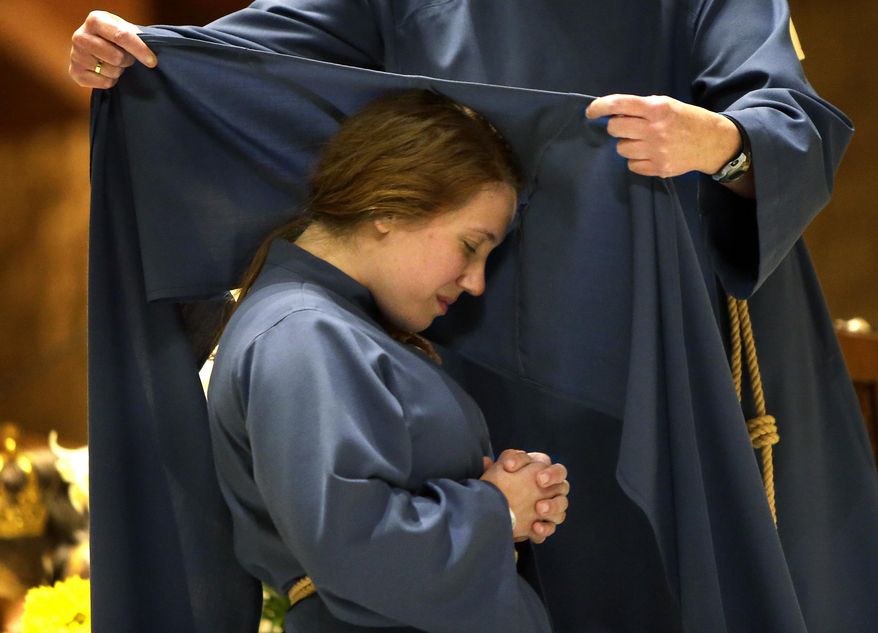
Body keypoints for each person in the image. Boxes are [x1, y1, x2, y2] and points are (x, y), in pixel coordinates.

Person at [73, 3, 878, 633]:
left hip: (669, 329)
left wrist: (724, 142)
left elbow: (787, 115)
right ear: (385, 208)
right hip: (479, 353)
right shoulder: (307, 336)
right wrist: (142, 52)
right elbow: (255, 50)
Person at [205, 89, 567, 632]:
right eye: (471, 246)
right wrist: (498, 509)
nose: (476, 282)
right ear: (389, 208)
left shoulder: (327, 327)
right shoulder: (303, 331)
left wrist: (513, 496)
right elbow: (355, 548)